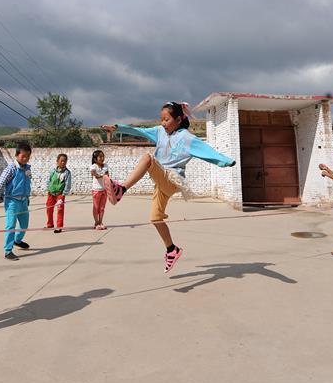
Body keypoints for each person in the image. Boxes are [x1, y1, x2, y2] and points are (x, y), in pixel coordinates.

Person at [101, 101, 236, 273]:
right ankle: (172, 249)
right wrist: (118, 128)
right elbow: (140, 131)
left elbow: (207, 151)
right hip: (161, 181)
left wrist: (226, 161)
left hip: (172, 180)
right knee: (155, 218)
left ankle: (121, 189)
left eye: (166, 120)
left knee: (147, 158)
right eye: (161, 119)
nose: (163, 123)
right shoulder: (159, 132)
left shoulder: (186, 138)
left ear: (178, 120)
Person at [0, 141, 33, 260]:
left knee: (24, 225)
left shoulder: (27, 169)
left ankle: (17, 240)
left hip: (23, 202)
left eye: (28, 156)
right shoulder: (11, 169)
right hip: (12, 202)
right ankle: (8, 251)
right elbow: (0, 183)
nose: (25, 159)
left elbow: (27, 184)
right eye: (23, 156)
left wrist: (27, 197)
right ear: (16, 155)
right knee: (10, 226)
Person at [46, 153, 72, 233]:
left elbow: (68, 184)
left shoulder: (67, 173)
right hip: (51, 194)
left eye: (65, 161)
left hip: (60, 194)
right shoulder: (53, 171)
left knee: (60, 210)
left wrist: (63, 195)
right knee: (49, 209)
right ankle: (50, 224)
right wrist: (48, 188)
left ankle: (59, 227)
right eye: (61, 161)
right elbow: (49, 180)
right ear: (57, 161)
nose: (63, 162)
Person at [90, 150, 109, 230]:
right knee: (96, 207)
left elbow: (107, 175)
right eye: (100, 157)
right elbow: (94, 174)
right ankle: (96, 223)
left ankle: (101, 222)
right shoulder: (93, 166)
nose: (102, 158)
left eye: (103, 156)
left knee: (102, 208)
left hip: (104, 190)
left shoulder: (105, 166)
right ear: (95, 159)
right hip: (96, 190)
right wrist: (102, 176)